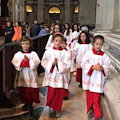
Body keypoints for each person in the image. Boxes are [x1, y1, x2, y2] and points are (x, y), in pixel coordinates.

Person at [81, 35, 111, 120]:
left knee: (96, 98)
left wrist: (102, 68)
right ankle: (90, 109)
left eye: (100, 44)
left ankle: (97, 114)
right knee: (90, 97)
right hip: (90, 79)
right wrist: (93, 67)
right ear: (93, 44)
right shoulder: (88, 54)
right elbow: (83, 63)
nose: (98, 46)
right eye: (97, 44)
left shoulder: (104, 56)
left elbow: (108, 65)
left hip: (98, 80)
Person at [41, 33, 71, 118]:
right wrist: (52, 64)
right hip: (51, 75)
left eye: (60, 41)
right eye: (56, 41)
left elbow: (68, 63)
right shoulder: (48, 52)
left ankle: (57, 109)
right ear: (53, 41)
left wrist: (59, 64)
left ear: (62, 42)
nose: (57, 43)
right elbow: (44, 62)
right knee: (51, 92)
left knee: (59, 93)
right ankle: (51, 107)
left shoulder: (66, 53)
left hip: (60, 76)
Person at [11, 36, 40, 114]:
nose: (25, 45)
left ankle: (30, 104)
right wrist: (23, 62)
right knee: (23, 90)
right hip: (22, 74)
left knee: (31, 90)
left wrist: (28, 61)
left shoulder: (33, 54)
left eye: (27, 44)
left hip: (31, 75)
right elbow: (15, 62)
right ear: (21, 44)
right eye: (23, 44)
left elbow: (36, 62)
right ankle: (25, 103)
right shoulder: (18, 54)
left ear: (30, 44)